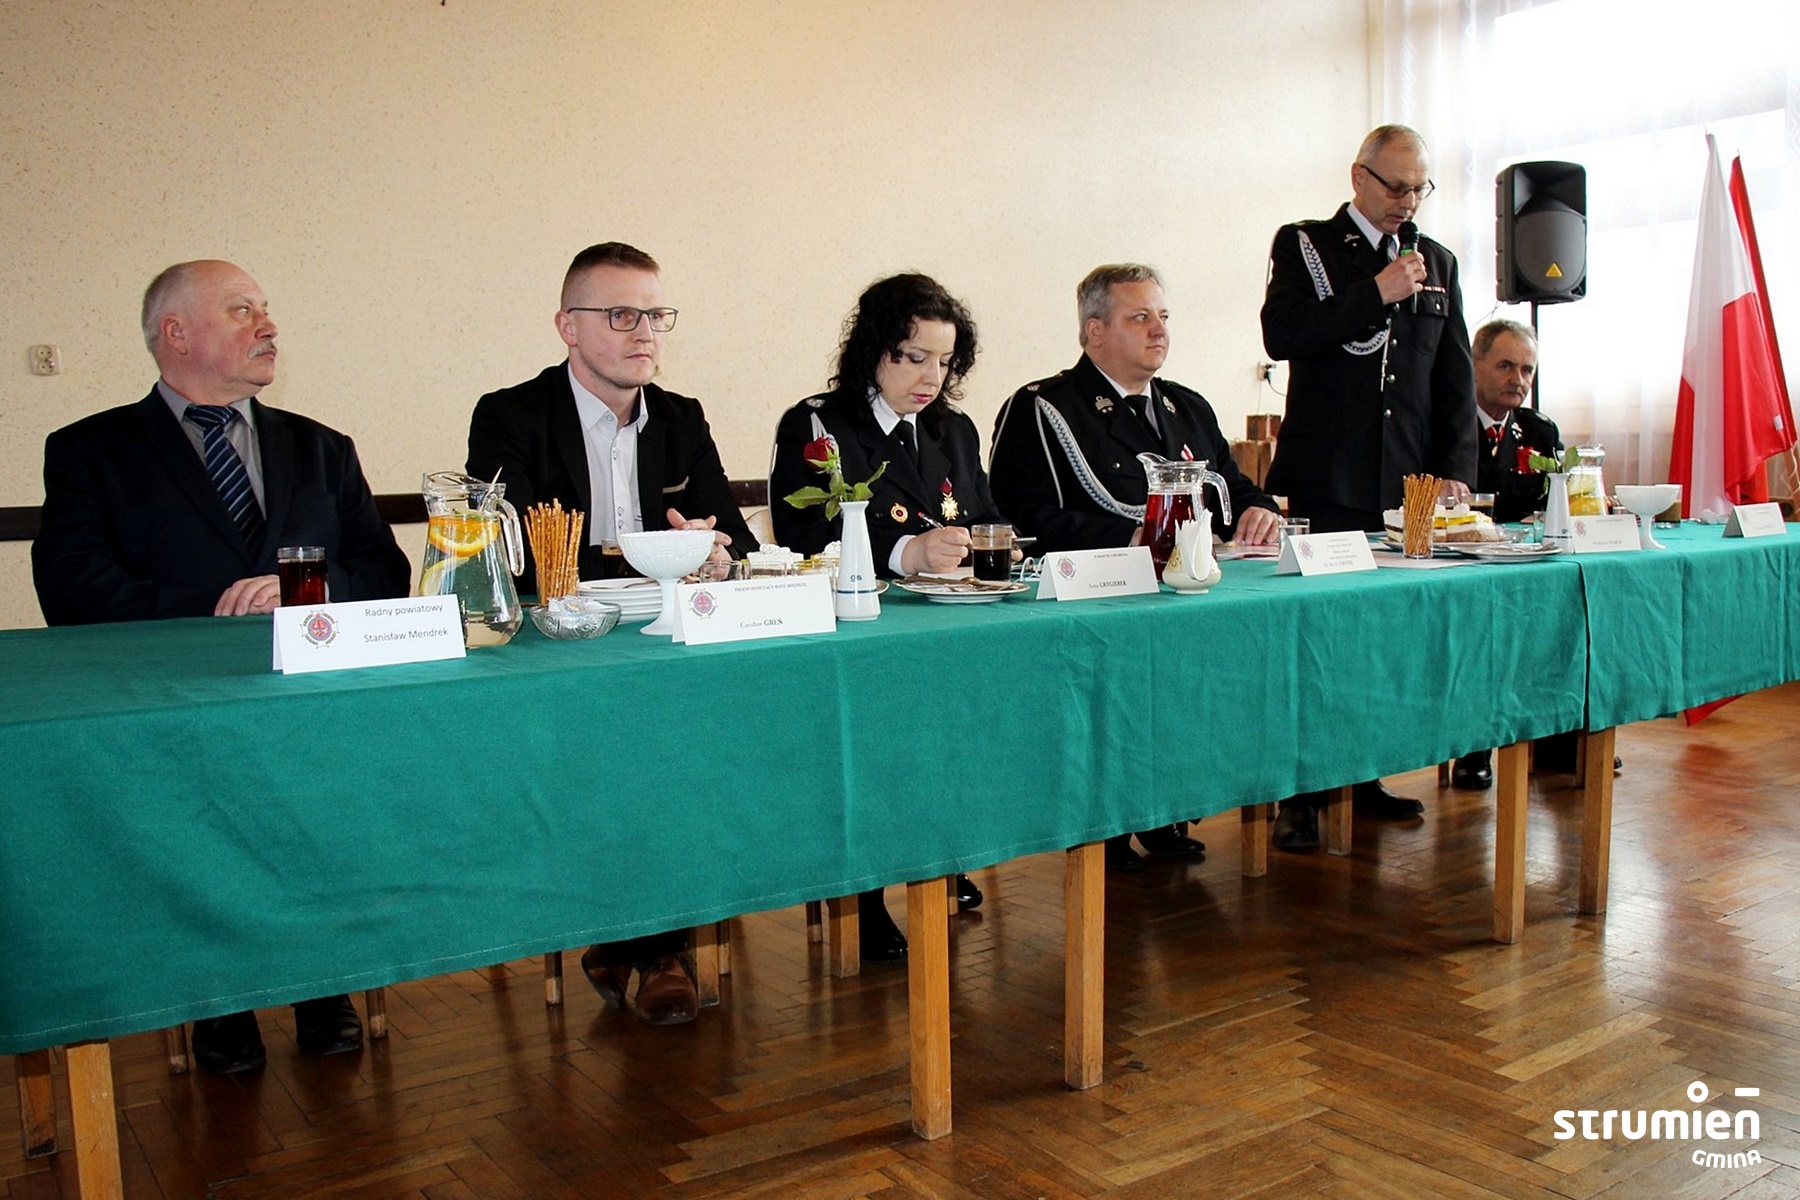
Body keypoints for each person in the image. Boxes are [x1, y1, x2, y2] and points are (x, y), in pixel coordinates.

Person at [33, 259, 412, 1072]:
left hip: (308, 712)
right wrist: (216, 604)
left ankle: (324, 985)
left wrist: (307, 590)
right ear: (175, 333)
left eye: (265, 309)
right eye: (242, 310)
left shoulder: (321, 448)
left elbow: (385, 572)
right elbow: (71, 587)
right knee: (201, 848)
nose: (268, 326)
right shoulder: (89, 451)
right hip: (174, 707)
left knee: (317, 833)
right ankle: (217, 1001)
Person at [467, 241, 753, 1023]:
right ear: (569, 326)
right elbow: (517, 553)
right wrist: (650, 556)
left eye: (656, 315)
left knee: (708, 734)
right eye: (622, 315)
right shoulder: (510, 415)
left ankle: (638, 940)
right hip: (561, 646)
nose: (646, 333)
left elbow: (732, 535)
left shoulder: (681, 417)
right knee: (637, 742)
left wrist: (713, 552)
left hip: (662, 639)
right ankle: (654, 948)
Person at [989, 263, 1281, 871]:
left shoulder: (1187, 407)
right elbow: (1022, 516)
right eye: (1140, 317)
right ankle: (1107, 827)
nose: (1159, 330)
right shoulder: (1043, 407)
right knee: (1118, 712)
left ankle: (1168, 807)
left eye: (1163, 316)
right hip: (1101, 604)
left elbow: (1233, 486)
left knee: (1194, 698)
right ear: (1095, 331)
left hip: (1188, 602)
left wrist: (1259, 510)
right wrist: (1128, 537)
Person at [1259, 125, 1478, 851]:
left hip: (1408, 483)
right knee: (1319, 636)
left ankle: (1363, 773)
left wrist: (1456, 467)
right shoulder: (1307, 245)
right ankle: (1300, 793)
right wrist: (1375, 292)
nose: (1407, 202)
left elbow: (1453, 375)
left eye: (1419, 189)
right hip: (1331, 478)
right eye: (1395, 186)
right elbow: (1282, 333)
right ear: (1359, 177)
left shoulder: (1437, 261)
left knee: (1382, 636)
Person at [768, 272, 997, 959]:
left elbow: (985, 517)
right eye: (914, 357)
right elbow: (800, 535)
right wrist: (905, 552)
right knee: (874, 744)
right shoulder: (819, 424)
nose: (931, 377)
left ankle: (941, 852)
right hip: (863, 634)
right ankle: (863, 893)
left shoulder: (954, 430)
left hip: (946, 629)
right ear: (874, 350)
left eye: (945, 362)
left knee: (961, 727)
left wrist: (986, 546)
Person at [1451, 320, 1616, 787]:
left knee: (1571, 606)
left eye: (1527, 370)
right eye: (1505, 366)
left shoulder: (1538, 431)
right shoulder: (1444, 422)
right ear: (1473, 365)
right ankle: (1474, 745)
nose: (1518, 380)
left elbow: (1556, 500)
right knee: (1482, 631)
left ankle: (1558, 736)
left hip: (1525, 565)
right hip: (1464, 567)